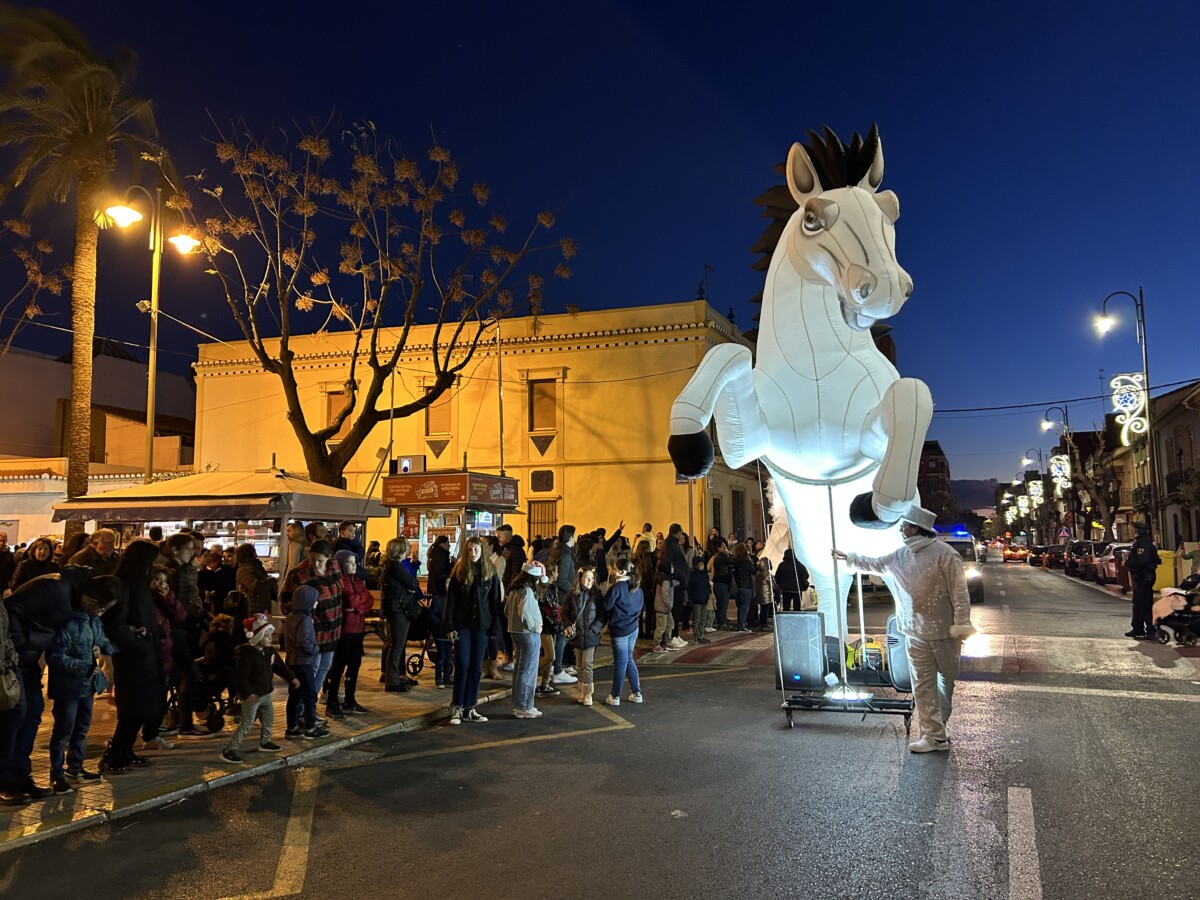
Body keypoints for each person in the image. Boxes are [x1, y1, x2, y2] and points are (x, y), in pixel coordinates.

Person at [834, 505, 975, 753]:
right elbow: (877, 564)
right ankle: (934, 736)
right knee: (922, 683)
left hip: (944, 633)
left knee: (945, 682)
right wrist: (851, 559)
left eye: (904, 526)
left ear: (916, 528)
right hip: (913, 632)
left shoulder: (945, 555)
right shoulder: (901, 555)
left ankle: (939, 726)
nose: (901, 530)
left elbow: (960, 594)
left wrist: (961, 624)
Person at [0, 569, 124, 804]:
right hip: (13, 659)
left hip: (25, 660)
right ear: (91, 600)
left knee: (32, 714)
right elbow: (11, 609)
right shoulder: (56, 591)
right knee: (15, 715)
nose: (101, 614)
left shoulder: (72, 599)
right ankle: (5, 780)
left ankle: (19, 776)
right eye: (103, 609)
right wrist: (20, 644)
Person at [101, 540, 166, 775]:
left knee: (144, 706)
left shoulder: (139, 585)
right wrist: (137, 641)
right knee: (134, 708)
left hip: (146, 653)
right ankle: (114, 753)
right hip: (133, 657)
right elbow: (115, 624)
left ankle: (125, 749)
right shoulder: (124, 587)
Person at [46, 588, 118, 793]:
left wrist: (103, 648)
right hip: (68, 688)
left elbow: (106, 643)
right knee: (63, 731)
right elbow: (56, 657)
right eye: (103, 607)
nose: (104, 611)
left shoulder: (94, 621)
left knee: (82, 729)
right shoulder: (69, 623)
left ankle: (75, 768)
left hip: (88, 686)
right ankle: (56, 774)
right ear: (91, 601)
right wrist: (84, 666)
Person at [444, 536, 503, 725]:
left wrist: (494, 627)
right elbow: (450, 602)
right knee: (462, 663)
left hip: (482, 626)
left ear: (482, 551)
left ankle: (470, 706)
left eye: (476, 549)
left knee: (476, 667)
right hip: (463, 624)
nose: (473, 553)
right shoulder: (459, 573)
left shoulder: (490, 572)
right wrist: (449, 626)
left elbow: (495, 602)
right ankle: (457, 706)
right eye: (469, 550)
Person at [224, 614, 299, 763]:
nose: (270, 639)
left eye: (270, 635)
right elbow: (240, 678)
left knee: (268, 718)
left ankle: (265, 741)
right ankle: (230, 749)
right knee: (247, 723)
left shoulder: (269, 652)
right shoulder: (247, 656)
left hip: (265, 693)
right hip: (252, 697)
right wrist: (247, 694)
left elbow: (279, 666)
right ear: (257, 637)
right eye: (266, 636)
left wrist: (291, 678)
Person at [327, 549, 373, 716]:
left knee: (354, 665)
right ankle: (331, 702)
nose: (353, 566)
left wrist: (356, 607)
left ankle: (350, 699)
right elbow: (352, 599)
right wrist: (358, 604)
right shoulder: (340, 582)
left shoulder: (357, 581)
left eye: (354, 562)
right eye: (349, 563)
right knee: (338, 666)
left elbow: (369, 600)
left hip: (358, 629)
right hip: (345, 630)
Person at [381, 537, 422, 691]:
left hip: (395, 607)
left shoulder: (392, 566)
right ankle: (392, 681)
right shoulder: (395, 567)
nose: (409, 549)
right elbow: (413, 583)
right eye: (406, 546)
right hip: (398, 608)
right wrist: (411, 587)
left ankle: (396, 676)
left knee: (397, 643)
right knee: (397, 644)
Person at [506, 561, 546, 718]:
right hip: (528, 634)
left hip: (515, 632)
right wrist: (536, 626)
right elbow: (524, 612)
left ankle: (518, 705)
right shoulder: (527, 591)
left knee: (520, 669)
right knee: (528, 670)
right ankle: (524, 706)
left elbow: (506, 611)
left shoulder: (515, 590)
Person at [282, 586, 323, 739]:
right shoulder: (305, 620)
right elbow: (303, 642)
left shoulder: (291, 616)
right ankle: (311, 726)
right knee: (310, 695)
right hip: (303, 662)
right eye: (315, 601)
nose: (316, 604)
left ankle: (292, 727)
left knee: (294, 695)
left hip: (292, 661)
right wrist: (315, 649)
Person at [603, 557, 644, 706]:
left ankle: (615, 695)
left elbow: (606, 606)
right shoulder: (637, 588)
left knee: (620, 662)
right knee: (628, 659)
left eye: (614, 569)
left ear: (621, 571)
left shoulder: (616, 588)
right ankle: (636, 692)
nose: (613, 571)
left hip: (619, 629)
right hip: (633, 627)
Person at [563, 565, 604, 704]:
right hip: (577, 636)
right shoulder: (572, 595)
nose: (589, 581)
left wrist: (594, 629)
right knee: (579, 665)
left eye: (591, 578)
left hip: (591, 636)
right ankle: (582, 690)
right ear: (580, 578)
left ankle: (588, 694)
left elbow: (602, 615)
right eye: (587, 578)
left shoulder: (597, 595)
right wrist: (568, 625)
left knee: (587, 664)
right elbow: (565, 613)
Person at [547, 525, 578, 685]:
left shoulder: (557, 550)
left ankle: (556, 666)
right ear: (571, 537)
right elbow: (563, 580)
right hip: (562, 599)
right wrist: (575, 591)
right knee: (562, 635)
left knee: (559, 635)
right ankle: (558, 669)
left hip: (556, 598)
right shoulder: (565, 554)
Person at [1124, 522, 1161, 639]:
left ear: (1140, 531)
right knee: (1138, 603)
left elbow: (1142, 561)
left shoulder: (1143, 543)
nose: (1133, 531)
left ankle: (1150, 630)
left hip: (1143, 577)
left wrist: (1126, 563)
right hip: (1141, 577)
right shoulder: (1143, 542)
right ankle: (1137, 628)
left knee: (1144, 604)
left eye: (1135, 529)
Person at [235, 544, 277, 617]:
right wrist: (271, 580)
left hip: (259, 606)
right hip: (254, 607)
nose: (256, 554)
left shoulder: (254, 567)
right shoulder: (245, 569)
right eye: (254, 551)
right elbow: (255, 586)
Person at [774, 547, 810, 612]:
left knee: (786, 607)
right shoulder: (799, 565)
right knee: (797, 608)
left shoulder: (782, 565)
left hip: (785, 589)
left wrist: (780, 584)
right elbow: (806, 575)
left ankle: (786, 620)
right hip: (797, 589)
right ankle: (797, 620)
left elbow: (777, 576)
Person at [731, 542, 757, 632]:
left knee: (740, 607)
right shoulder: (747, 562)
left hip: (737, 587)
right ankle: (741, 626)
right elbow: (754, 571)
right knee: (744, 607)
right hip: (746, 586)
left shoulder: (734, 561)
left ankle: (740, 624)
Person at [687, 555, 712, 644]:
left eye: (702, 564)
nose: (701, 566)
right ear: (695, 565)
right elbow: (690, 588)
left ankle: (701, 635)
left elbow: (707, 587)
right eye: (700, 564)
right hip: (696, 600)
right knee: (696, 619)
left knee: (703, 619)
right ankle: (697, 636)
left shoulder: (705, 575)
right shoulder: (692, 575)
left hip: (704, 599)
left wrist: (708, 593)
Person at [710, 540, 734, 628]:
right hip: (722, 582)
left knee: (721, 603)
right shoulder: (721, 557)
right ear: (718, 548)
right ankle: (722, 623)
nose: (725, 548)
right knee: (723, 602)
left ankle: (721, 620)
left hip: (721, 582)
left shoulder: (718, 557)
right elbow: (733, 561)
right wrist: (728, 553)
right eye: (723, 546)